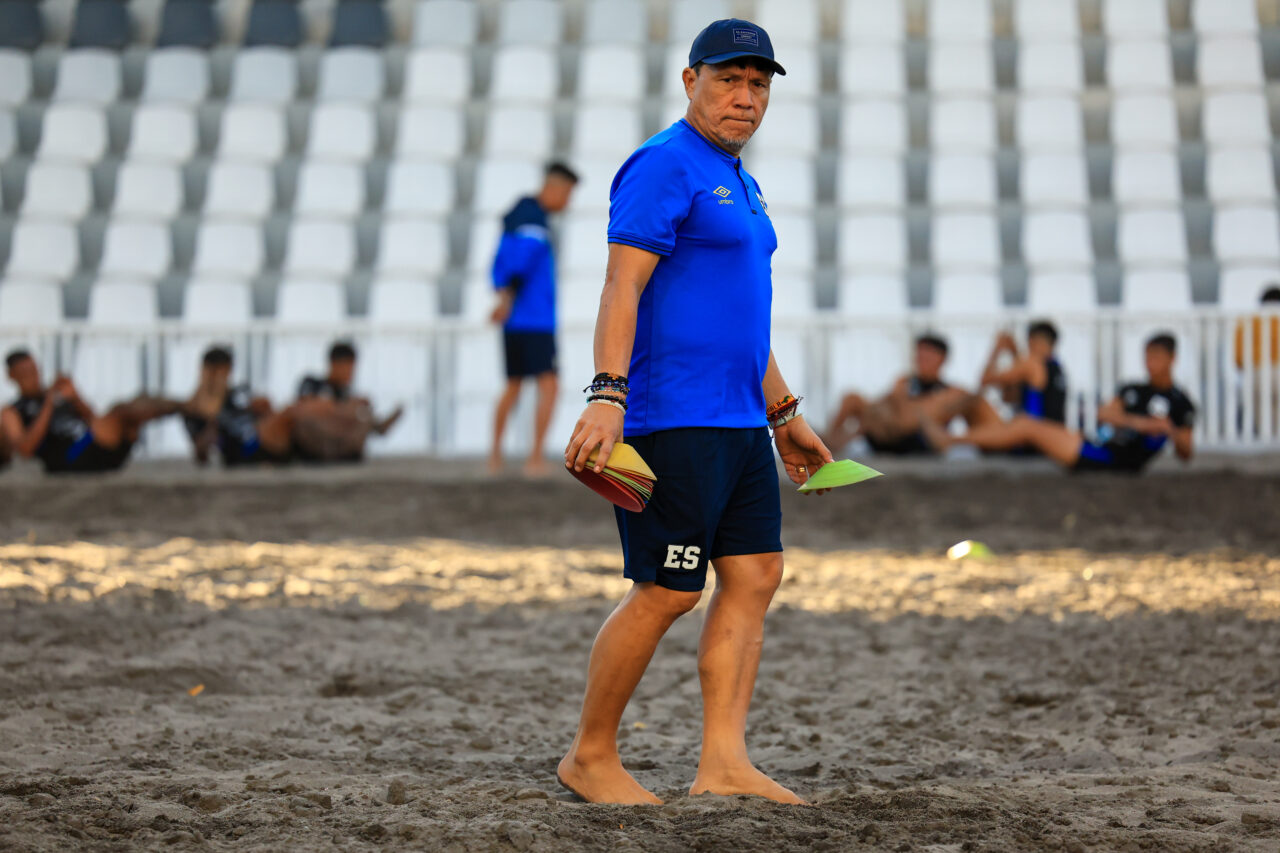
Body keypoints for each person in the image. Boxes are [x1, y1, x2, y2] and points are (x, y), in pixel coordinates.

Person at [560, 19, 832, 807]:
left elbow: (740, 316)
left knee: (755, 573)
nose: (745, 97)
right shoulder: (663, 163)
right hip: (672, 417)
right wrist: (607, 394)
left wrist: (783, 412)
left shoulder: (739, 179)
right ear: (691, 81)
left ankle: (724, 762)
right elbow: (622, 285)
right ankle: (589, 755)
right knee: (669, 587)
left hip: (740, 422)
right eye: (729, 79)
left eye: (759, 84)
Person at [923, 333, 1195, 473]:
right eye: (1147, 356)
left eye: (1156, 357)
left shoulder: (1180, 403)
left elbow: (1186, 453)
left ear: (1172, 359)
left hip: (1116, 459)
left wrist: (1169, 430)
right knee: (1017, 420)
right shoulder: (1133, 389)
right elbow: (1104, 414)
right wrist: (1142, 423)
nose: (1150, 363)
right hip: (1094, 442)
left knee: (1026, 424)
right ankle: (949, 438)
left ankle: (950, 440)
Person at [488, 161, 580, 477]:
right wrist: (506, 300)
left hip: (517, 320)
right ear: (554, 188)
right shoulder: (534, 222)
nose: (567, 202)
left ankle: (495, 457)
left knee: (513, 385)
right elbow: (519, 265)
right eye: (567, 194)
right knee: (549, 385)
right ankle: (535, 458)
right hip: (534, 320)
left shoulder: (516, 217)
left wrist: (502, 299)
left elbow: (500, 265)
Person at [1, 349, 182, 474]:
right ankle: (181, 408)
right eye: (25, 373)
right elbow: (25, 450)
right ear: (12, 376)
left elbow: (93, 419)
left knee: (134, 405)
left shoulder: (55, 394)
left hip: (90, 442)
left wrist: (75, 397)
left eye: (34, 370)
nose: (33, 377)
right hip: (69, 455)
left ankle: (179, 407)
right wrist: (48, 405)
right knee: (120, 412)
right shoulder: (13, 410)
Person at [824, 334, 1003, 454]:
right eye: (919, 356)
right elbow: (881, 406)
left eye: (927, 357)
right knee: (853, 399)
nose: (921, 360)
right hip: (887, 431)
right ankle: (828, 444)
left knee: (928, 406)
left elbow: (970, 401)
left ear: (942, 359)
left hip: (919, 439)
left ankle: (994, 440)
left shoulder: (951, 392)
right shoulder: (904, 382)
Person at [183, 346, 297, 467]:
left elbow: (264, 408)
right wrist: (212, 424)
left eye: (224, 373)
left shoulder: (238, 393)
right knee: (289, 415)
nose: (220, 379)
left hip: (260, 437)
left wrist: (261, 408)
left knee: (291, 413)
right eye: (215, 373)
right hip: (242, 448)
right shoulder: (194, 410)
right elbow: (201, 453)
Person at [292, 341, 402, 463]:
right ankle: (377, 426)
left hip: (338, 442)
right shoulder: (312, 383)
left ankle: (376, 425)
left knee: (361, 415)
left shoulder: (344, 392)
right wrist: (346, 406)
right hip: (315, 439)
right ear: (334, 364)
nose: (351, 374)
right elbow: (303, 409)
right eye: (348, 368)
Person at [981, 321, 1067, 424]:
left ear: (1034, 341)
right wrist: (1014, 352)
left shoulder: (1032, 364)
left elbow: (986, 380)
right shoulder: (1056, 367)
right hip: (1056, 430)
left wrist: (997, 349)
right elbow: (1010, 397)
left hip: (1034, 430)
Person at [1233, 286, 1280, 436]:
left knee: (1262, 415)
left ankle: (1266, 437)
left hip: (1255, 372)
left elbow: (1238, 357)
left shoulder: (1248, 321)